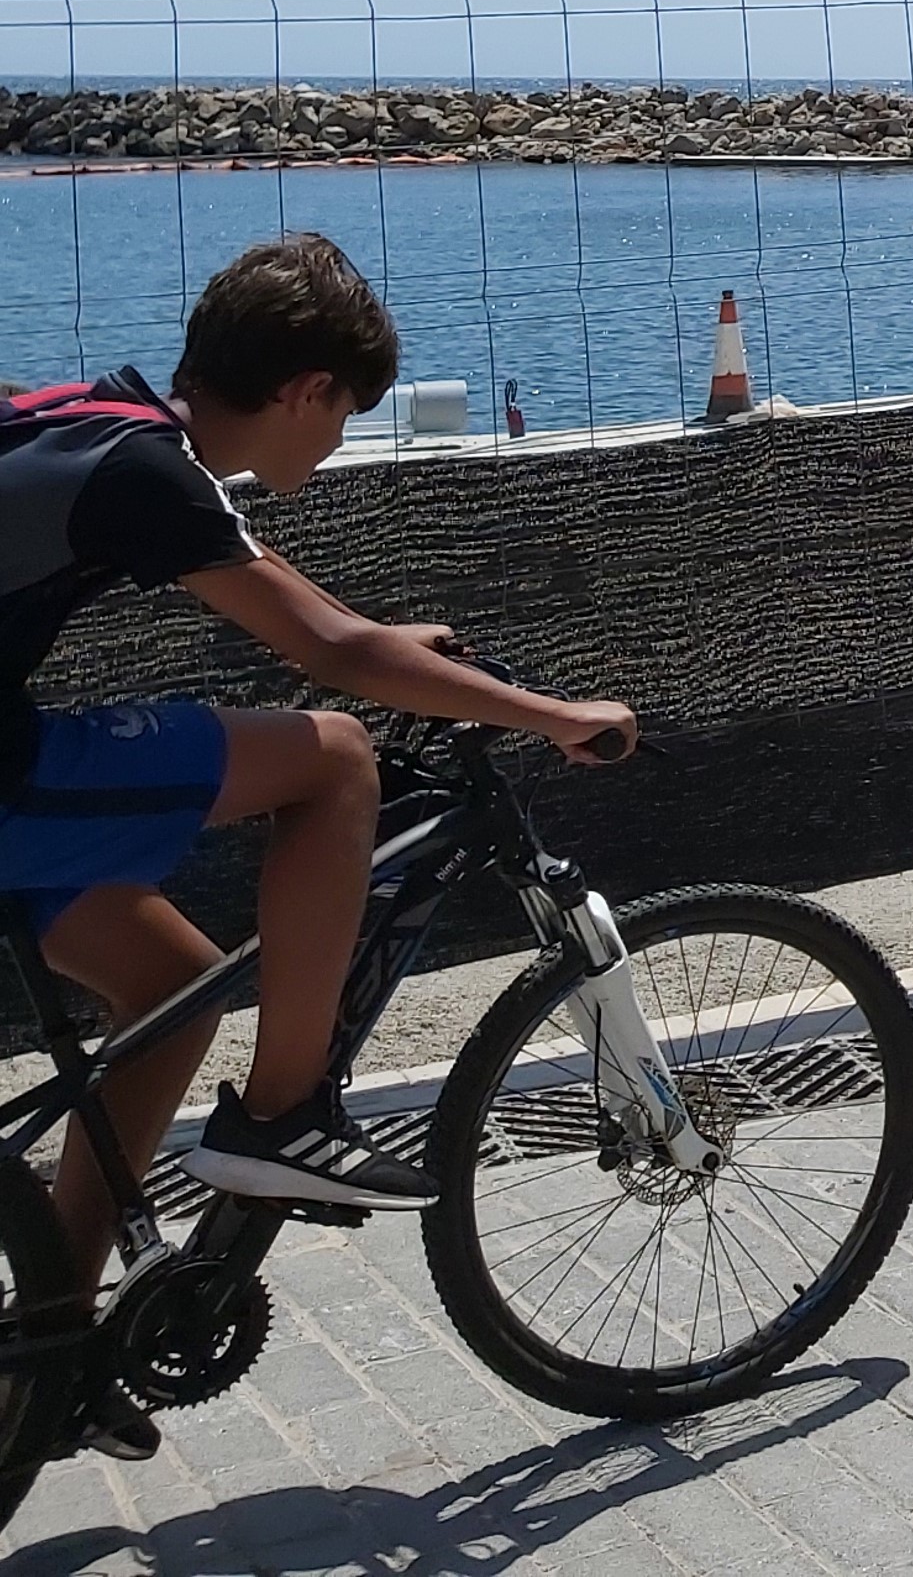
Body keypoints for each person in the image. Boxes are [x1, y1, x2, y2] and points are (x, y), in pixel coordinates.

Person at [0, 235, 633, 1462]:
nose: (336, 448)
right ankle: (283, 1114)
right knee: (337, 754)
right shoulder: (150, 475)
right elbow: (327, 659)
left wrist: (373, 630)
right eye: (345, 418)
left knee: (173, 994)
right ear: (308, 392)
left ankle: (56, 1357)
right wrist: (558, 719)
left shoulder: (97, 420)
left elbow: (267, 580)